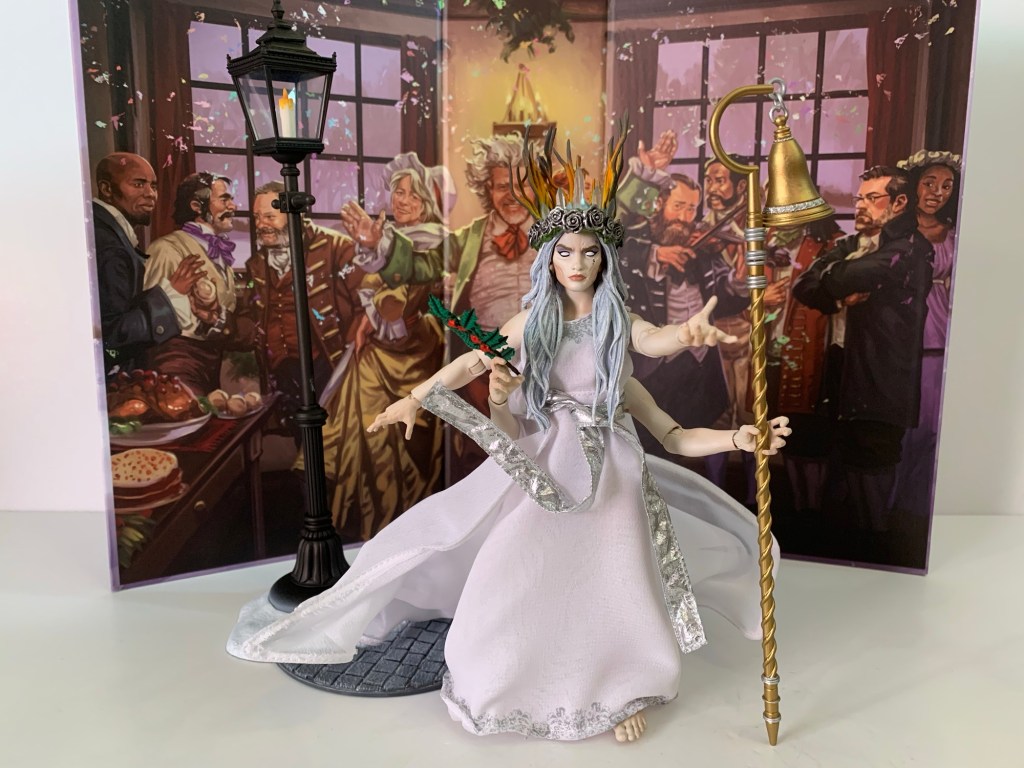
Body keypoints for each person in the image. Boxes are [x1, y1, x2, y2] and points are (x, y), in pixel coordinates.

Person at [227, 127, 790, 743]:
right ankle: (512, 672)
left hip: (614, 481)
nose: (578, 265)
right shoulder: (533, 320)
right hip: (545, 468)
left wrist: (733, 424)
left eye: (590, 253)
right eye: (566, 253)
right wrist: (414, 398)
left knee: (615, 585)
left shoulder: (617, 345)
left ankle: (620, 687)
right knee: (517, 570)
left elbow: (671, 415)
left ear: (605, 259)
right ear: (550, 258)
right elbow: (473, 362)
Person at [341, 135, 536, 481]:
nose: (512, 195)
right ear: (487, 190)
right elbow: (422, 266)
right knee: (486, 455)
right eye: (502, 186)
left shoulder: (556, 234)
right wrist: (379, 245)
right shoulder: (469, 237)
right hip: (485, 360)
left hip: (545, 356)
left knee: (540, 449)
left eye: (522, 185)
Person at [792, 166, 934, 563]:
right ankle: (844, 542)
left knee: (874, 454)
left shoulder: (911, 247)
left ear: (899, 203)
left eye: (873, 199)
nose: (861, 206)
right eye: (859, 198)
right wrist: (839, 292)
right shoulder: (850, 243)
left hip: (882, 369)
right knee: (837, 450)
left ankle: (878, 544)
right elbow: (804, 286)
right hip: (841, 363)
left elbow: (853, 273)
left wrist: (833, 277)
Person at [314, 153, 451, 540]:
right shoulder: (386, 238)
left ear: (427, 200)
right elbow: (378, 289)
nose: (402, 200)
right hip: (374, 356)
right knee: (370, 438)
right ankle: (374, 526)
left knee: (409, 440)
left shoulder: (436, 240)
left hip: (417, 352)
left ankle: (409, 528)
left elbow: (406, 292)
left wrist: (374, 313)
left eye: (412, 194)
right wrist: (366, 318)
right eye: (397, 193)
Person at [238, 180, 363, 431]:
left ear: (294, 215)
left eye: (269, 217)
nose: (261, 225)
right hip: (282, 372)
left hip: (329, 365)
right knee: (300, 438)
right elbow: (248, 314)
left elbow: (366, 307)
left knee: (335, 435)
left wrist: (351, 359)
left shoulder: (336, 247)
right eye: (257, 217)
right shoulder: (257, 264)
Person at [892, 150, 961, 519]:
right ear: (914, 186)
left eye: (946, 186)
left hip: (939, 338)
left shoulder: (955, 236)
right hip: (900, 335)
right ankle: (886, 509)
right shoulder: (897, 232)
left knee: (931, 429)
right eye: (930, 183)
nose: (937, 192)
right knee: (899, 429)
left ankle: (916, 511)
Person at [92, 152, 206, 375]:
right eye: (138, 184)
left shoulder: (107, 232)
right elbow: (111, 342)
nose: (151, 194)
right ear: (106, 189)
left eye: (153, 186)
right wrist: (170, 295)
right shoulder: (109, 246)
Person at [143, 172, 242, 395]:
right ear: (197, 206)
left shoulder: (219, 254)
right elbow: (152, 316)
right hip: (175, 364)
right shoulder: (166, 249)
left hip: (213, 363)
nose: (233, 206)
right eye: (224, 199)